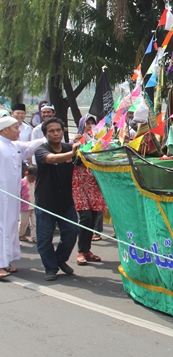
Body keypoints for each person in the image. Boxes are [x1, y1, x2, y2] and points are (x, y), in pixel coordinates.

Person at [34, 117, 81, 281]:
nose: (55, 134)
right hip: (45, 203)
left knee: (71, 233)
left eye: (58, 130)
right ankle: (50, 267)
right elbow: (52, 159)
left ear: (63, 131)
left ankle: (60, 260)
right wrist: (73, 152)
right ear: (45, 134)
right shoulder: (41, 150)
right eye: (51, 131)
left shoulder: (69, 147)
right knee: (44, 239)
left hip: (67, 202)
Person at [0, 116, 46, 278]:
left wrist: (50, 136)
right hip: (1, 196)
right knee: (1, 228)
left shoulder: (15, 146)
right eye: (15, 128)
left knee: (11, 225)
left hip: (12, 196)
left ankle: (6, 261)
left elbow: (31, 146)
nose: (19, 131)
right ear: (4, 130)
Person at [72, 116, 106, 266]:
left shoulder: (100, 142)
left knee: (93, 217)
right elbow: (73, 159)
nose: (90, 126)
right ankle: (80, 251)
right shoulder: (76, 141)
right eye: (88, 123)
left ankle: (87, 250)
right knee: (85, 217)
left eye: (93, 123)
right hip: (80, 183)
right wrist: (76, 145)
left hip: (95, 183)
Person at [19, 165, 37, 243]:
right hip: (24, 207)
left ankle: (34, 237)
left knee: (35, 222)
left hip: (33, 205)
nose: (33, 180)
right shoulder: (21, 182)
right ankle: (20, 234)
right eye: (32, 178)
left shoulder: (35, 183)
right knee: (23, 222)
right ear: (26, 174)